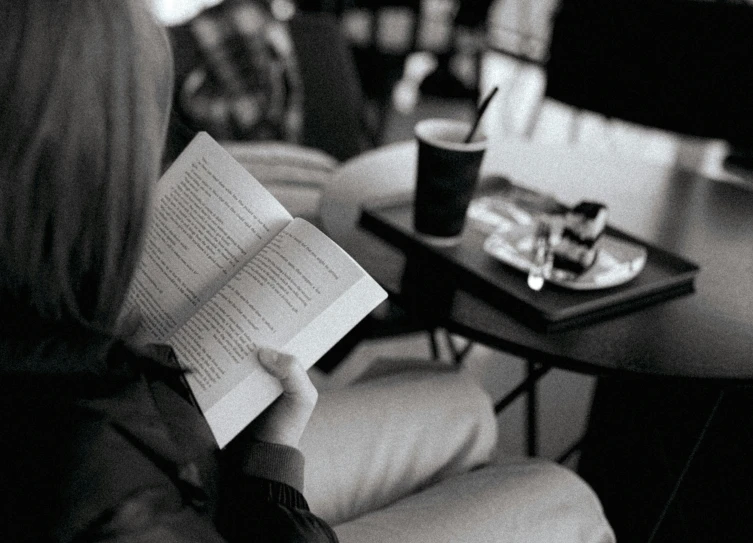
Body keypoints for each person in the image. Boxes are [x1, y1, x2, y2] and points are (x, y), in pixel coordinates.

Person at [0, 1, 615, 541]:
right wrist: (274, 472)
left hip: (167, 433)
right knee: (561, 497)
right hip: (172, 466)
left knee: (461, 402)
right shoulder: (99, 478)